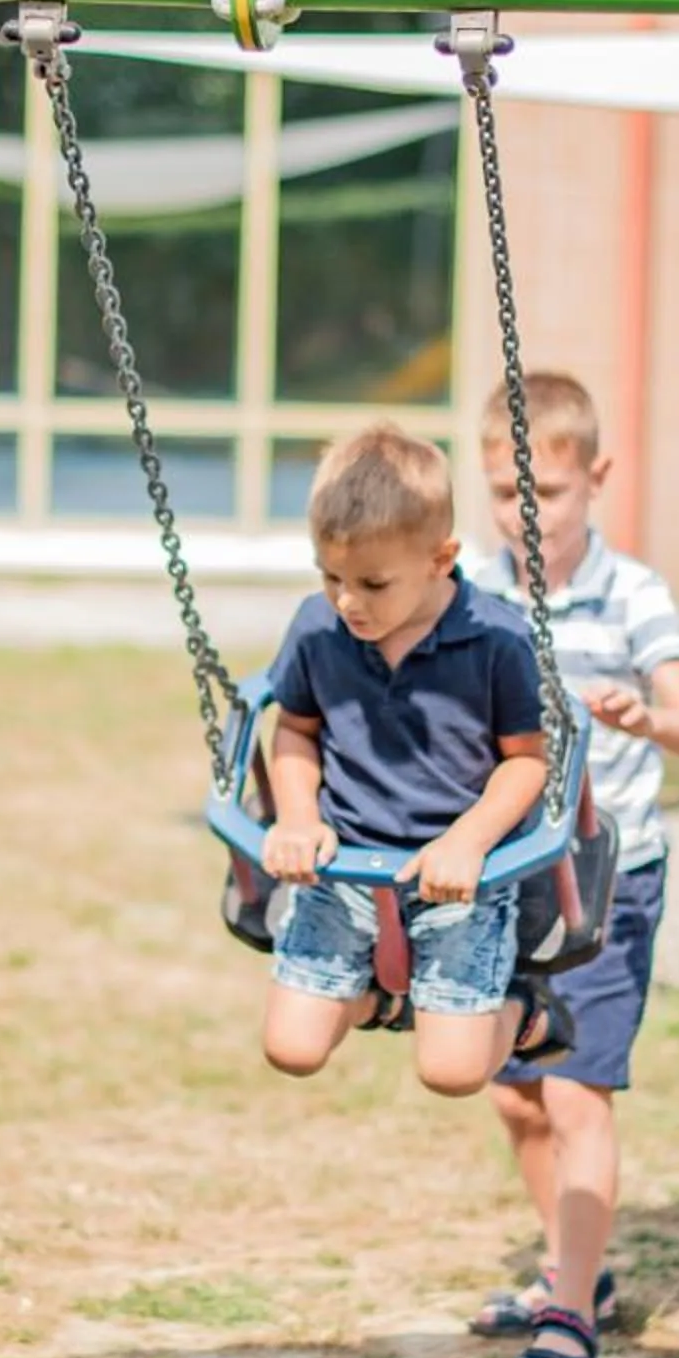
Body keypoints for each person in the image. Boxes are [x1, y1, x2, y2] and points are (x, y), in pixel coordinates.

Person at [463, 374, 679, 1358]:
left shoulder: (632, 595)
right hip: (512, 887)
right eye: (501, 494)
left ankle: (568, 1311)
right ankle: (582, 1271)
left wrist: (646, 717)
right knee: (513, 1094)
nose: (525, 517)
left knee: (574, 1091)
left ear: (596, 479)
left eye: (549, 496)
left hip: (607, 885)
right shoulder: (478, 596)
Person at [259, 421, 577, 1100]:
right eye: (330, 575)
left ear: (441, 558)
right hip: (341, 864)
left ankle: (524, 1008)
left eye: (372, 583)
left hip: (461, 876)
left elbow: (527, 761)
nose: (348, 601)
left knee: (453, 1074)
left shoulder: (497, 640)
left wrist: (467, 842)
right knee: (291, 1049)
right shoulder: (318, 628)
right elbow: (295, 730)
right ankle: (390, 998)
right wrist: (295, 817)